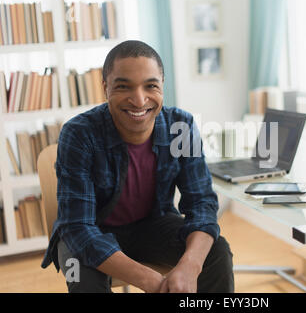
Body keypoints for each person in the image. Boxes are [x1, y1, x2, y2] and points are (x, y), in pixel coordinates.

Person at [41, 40, 234, 293]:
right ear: (105, 88)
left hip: (152, 225)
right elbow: (78, 228)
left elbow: (202, 204)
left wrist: (190, 265)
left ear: (162, 85)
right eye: (124, 87)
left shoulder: (181, 127)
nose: (139, 100)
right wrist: (148, 279)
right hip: (90, 231)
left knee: (217, 250)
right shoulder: (79, 134)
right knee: (81, 277)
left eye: (150, 86)